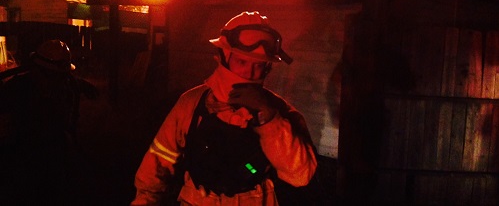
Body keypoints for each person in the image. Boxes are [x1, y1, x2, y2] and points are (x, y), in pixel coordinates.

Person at [132, 11, 318, 205]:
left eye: (259, 65)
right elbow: (157, 163)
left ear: (268, 68)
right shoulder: (192, 103)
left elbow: (300, 175)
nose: (250, 72)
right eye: (241, 61)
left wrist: (269, 117)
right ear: (222, 57)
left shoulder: (281, 113)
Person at [0, 39, 98, 204]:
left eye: (61, 76)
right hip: (22, 156)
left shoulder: (67, 85)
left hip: (55, 154)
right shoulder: (17, 89)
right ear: (39, 70)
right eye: (53, 75)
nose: (57, 81)